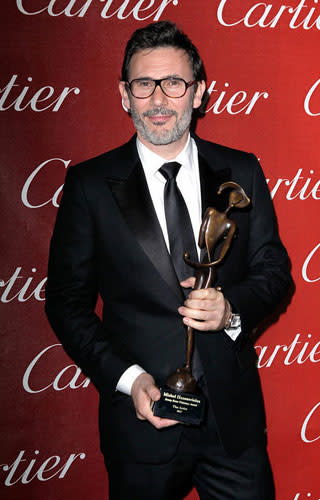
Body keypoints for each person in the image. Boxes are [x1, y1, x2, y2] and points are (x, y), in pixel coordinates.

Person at [45, 21, 292, 500]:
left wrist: (231, 310)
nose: (158, 100)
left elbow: (274, 272)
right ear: (125, 94)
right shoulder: (90, 186)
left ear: (198, 92)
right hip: (141, 427)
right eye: (144, 84)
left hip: (232, 428)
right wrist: (128, 379)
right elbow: (65, 303)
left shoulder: (242, 170)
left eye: (174, 83)